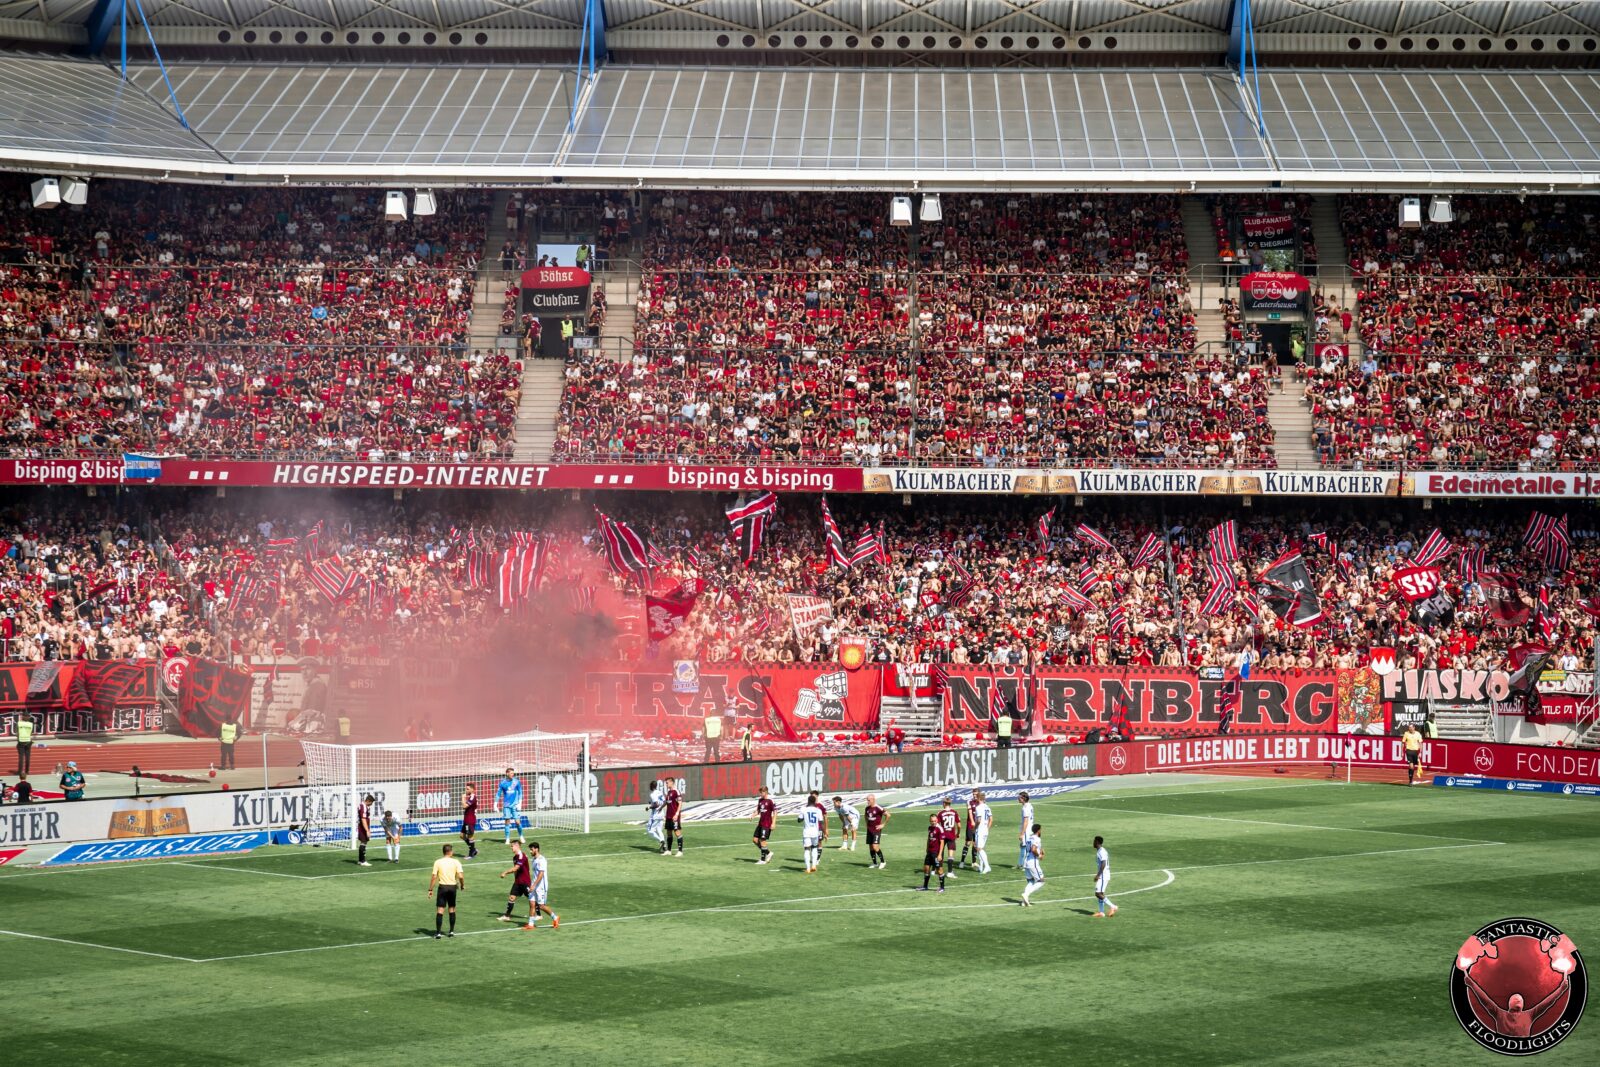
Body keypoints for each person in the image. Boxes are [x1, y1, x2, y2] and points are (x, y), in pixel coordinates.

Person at [428, 843, 466, 939]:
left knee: (440, 910)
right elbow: (461, 876)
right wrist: (462, 885)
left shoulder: (438, 862)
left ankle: (438, 933)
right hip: (452, 888)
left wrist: (430, 889)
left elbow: (434, 877)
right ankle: (451, 931)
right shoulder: (456, 862)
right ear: (450, 852)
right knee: (452, 909)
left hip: (443, 888)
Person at [523, 842, 559, 929]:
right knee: (531, 904)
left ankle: (555, 917)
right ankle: (531, 924)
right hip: (534, 885)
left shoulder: (541, 860)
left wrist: (534, 885)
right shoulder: (534, 859)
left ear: (536, 849)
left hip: (540, 886)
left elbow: (541, 874)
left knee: (541, 906)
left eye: (531, 849)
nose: (530, 851)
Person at [499, 840, 535, 924]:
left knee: (531, 899)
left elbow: (516, 868)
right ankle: (507, 916)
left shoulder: (521, 856)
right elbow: (516, 871)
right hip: (518, 882)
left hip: (525, 882)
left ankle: (538, 914)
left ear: (517, 846)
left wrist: (505, 872)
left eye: (512, 846)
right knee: (511, 897)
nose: (511, 848)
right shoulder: (515, 857)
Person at [798, 791, 828, 873]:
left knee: (807, 849)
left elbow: (799, 820)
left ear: (808, 801)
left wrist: (803, 817)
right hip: (815, 831)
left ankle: (808, 868)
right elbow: (821, 822)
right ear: (815, 801)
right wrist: (824, 831)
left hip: (807, 832)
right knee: (815, 847)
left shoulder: (804, 809)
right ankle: (814, 865)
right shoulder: (818, 810)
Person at [919, 814, 947, 893]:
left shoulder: (940, 829)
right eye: (932, 821)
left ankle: (942, 888)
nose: (933, 822)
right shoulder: (930, 828)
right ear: (930, 821)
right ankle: (925, 886)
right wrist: (927, 848)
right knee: (926, 868)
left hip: (936, 852)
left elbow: (942, 842)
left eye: (935, 821)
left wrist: (940, 854)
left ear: (937, 820)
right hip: (929, 852)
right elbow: (929, 839)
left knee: (939, 870)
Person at [497, 767, 525, 844]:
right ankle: (507, 838)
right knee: (507, 822)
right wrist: (495, 804)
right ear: (507, 773)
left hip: (515, 805)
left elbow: (520, 792)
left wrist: (520, 803)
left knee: (518, 822)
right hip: (506, 806)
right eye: (511, 773)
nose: (513, 774)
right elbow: (498, 794)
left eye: (513, 773)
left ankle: (521, 836)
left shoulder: (516, 782)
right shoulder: (502, 783)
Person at [1019, 822, 1044, 906]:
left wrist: (1040, 850)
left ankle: (1024, 901)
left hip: (1026, 861)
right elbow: (1033, 849)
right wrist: (1039, 855)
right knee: (1041, 881)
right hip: (1033, 862)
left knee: (1031, 881)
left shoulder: (1029, 838)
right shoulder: (1037, 839)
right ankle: (1026, 894)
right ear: (1038, 830)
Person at [935, 798, 961, 879]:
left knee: (940, 852)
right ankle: (950, 872)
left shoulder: (940, 813)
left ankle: (939, 869)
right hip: (951, 835)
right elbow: (959, 825)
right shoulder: (954, 812)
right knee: (950, 854)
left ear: (944, 803)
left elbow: (937, 825)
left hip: (942, 835)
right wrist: (958, 833)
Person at [1092, 835, 1117, 917]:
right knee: (1101, 893)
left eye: (1094, 841)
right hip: (1104, 875)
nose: (1093, 843)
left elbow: (1103, 863)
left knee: (1098, 893)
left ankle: (1113, 906)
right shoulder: (1100, 851)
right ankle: (1101, 912)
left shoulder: (1101, 851)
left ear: (1097, 842)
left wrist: (1098, 875)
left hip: (1103, 875)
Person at [863, 794, 889, 869]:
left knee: (875, 846)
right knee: (871, 847)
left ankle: (883, 861)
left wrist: (883, 824)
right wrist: (867, 823)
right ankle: (875, 863)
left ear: (873, 799)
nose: (867, 801)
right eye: (867, 800)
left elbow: (888, 815)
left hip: (876, 830)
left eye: (869, 800)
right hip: (869, 829)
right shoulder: (867, 808)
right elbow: (865, 815)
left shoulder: (878, 808)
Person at [971, 790, 994, 874]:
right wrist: (987, 828)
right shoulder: (987, 807)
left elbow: (979, 820)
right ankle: (981, 868)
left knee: (979, 849)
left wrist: (975, 828)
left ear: (978, 798)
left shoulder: (978, 807)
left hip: (980, 830)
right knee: (980, 848)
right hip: (985, 830)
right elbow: (991, 819)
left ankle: (987, 866)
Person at [752, 785, 776, 864]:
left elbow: (775, 812)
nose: (760, 794)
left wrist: (773, 823)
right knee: (755, 840)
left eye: (761, 793)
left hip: (767, 824)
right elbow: (758, 810)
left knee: (762, 840)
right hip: (760, 823)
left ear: (765, 792)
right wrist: (753, 815)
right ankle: (768, 853)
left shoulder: (770, 801)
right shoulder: (760, 800)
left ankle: (762, 860)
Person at [662, 779, 684, 856]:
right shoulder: (668, 792)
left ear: (672, 782)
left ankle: (680, 851)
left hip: (674, 816)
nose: (666, 784)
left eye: (667, 783)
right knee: (668, 832)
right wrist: (661, 808)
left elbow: (680, 803)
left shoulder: (676, 791)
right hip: (668, 815)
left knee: (677, 832)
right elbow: (666, 802)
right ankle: (669, 850)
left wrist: (677, 814)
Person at [646, 779, 667, 848]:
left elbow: (656, 804)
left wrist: (649, 807)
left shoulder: (653, 794)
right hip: (661, 814)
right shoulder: (660, 792)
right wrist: (661, 808)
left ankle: (661, 841)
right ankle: (664, 847)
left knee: (649, 831)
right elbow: (665, 802)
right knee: (659, 830)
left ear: (651, 786)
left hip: (655, 815)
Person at [356, 793, 375, 866]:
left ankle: (361, 860)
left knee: (364, 842)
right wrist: (367, 830)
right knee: (363, 842)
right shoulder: (363, 806)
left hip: (363, 826)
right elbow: (363, 819)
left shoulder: (364, 806)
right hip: (362, 827)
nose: (372, 804)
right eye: (371, 802)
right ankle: (362, 861)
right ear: (368, 801)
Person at [461, 784, 479, 859]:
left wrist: (462, 798)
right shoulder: (470, 797)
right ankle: (473, 849)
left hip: (470, 820)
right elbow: (465, 806)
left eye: (468, 789)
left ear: (472, 789)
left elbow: (464, 806)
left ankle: (471, 854)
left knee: (470, 836)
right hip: (466, 819)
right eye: (466, 789)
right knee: (462, 836)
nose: (466, 790)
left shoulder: (473, 797)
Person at [1017, 790, 1034, 869]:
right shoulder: (1029, 805)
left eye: (1019, 797)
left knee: (1027, 847)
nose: (1018, 798)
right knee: (1023, 846)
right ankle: (1020, 864)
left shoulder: (1025, 808)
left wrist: (1022, 833)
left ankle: (1025, 865)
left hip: (1027, 830)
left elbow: (1026, 822)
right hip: (1029, 829)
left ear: (1023, 798)